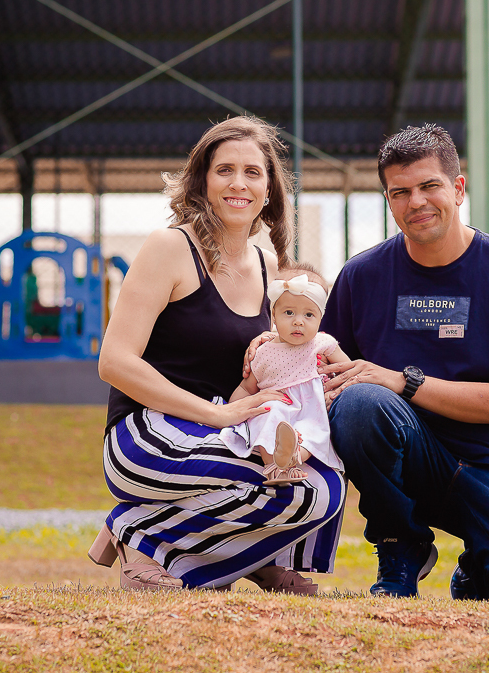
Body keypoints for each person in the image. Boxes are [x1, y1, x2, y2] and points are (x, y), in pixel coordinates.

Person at [318, 123, 489, 602]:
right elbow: (329, 377)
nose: (415, 202)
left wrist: (404, 382)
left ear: (458, 189)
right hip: (406, 457)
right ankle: (402, 545)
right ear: (389, 200)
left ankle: (479, 568)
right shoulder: (360, 276)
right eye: (400, 192)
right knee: (357, 403)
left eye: (429, 186)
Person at [89, 115, 344, 595]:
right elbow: (115, 362)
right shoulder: (170, 248)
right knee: (301, 484)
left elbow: (274, 359)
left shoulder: (271, 269)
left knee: (325, 479)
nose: (238, 183)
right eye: (224, 170)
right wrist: (216, 413)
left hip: (226, 429)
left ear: (269, 191)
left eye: (253, 172)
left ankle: (244, 552)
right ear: (202, 181)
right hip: (148, 434)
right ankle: (141, 537)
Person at [221, 265, 347, 485]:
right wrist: (231, 409)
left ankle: (293, 458)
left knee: (312, 428)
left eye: (309, 314)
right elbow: (247, 387)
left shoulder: (322, 343)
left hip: (311, 407)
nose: (298, 321)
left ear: (320, 318)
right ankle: (275, 466)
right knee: (269, 414)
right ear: (274, 317)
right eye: (289, 312)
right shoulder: (263, 352)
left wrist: (336, 389)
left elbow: (348, 369)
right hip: (279, 404)